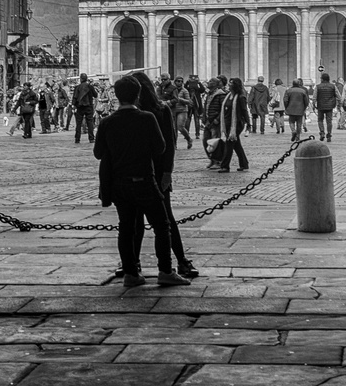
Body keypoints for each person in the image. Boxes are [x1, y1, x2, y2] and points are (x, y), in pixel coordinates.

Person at [93, 74, 190, 288]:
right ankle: (165, 271)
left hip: (119, 183)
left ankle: (131, 274)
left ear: (116, 96)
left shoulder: (107, 122)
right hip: (145, 180)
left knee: (126, 228)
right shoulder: (147, 118)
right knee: (162, 226)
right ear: (138, 95)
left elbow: (99, 152)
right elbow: (161, 147)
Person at [130, 71, 198, 279]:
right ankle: (135, 263)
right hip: (146, 172)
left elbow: (169, 145)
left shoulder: (161, 110)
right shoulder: (136, 113)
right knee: (142, 221)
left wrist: (167, 173)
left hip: (155, 173)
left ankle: (179, 261)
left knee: (164, 219)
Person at [208, 77, 250, 172]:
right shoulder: (228, 96)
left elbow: (244, 111)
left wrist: (248, 123)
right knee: (236, 145)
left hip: (236, 125)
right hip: (227, 123)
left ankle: (225, 166)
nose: (229, 84)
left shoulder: (240, 97)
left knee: (229, 145)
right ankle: (244, 164)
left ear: (235, 85)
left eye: (231, 83)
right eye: (229, 83)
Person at [313, 72, 339, 142]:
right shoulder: (333, 86)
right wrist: (339, 102)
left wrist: (313, 104)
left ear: (322, 79)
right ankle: (329, 134)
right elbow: (338, 95)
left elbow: (314, 97)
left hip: (320, 105)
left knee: (320, 120)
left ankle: (322, 132)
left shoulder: (318, 86)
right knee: (329, 121)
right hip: (330, 106)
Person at [72, 73, 97, 143]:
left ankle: (77, 138)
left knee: (78, 123)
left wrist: (73, 105)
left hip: (80, 107)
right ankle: (91, 138)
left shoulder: (77, 87)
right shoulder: (90, 86)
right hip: (88, 106)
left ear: (81, 79)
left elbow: (75, 97)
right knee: (90, 123)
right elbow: (95, 95)